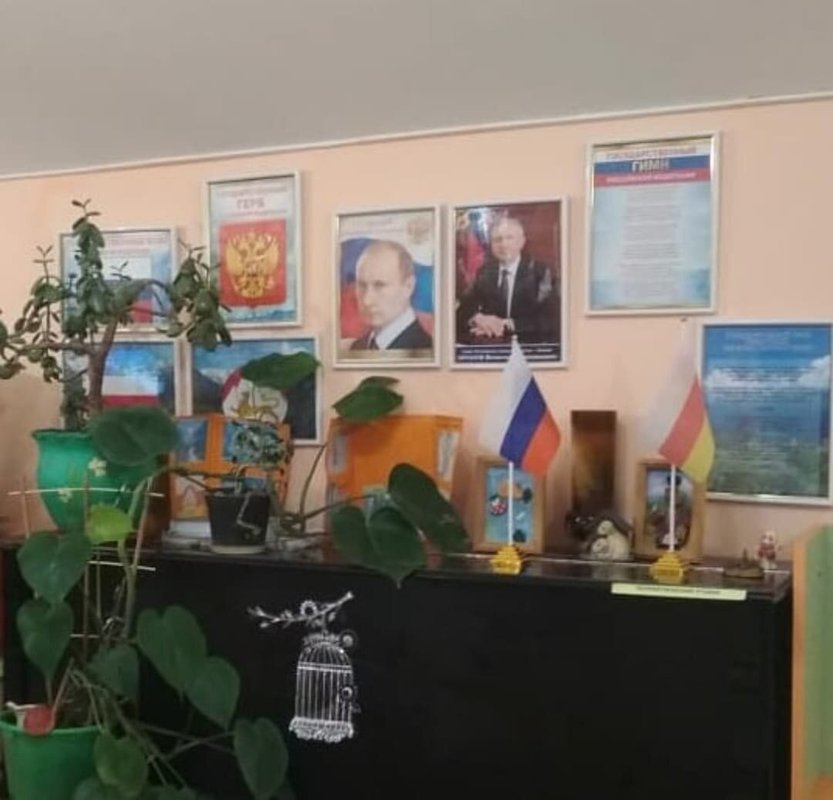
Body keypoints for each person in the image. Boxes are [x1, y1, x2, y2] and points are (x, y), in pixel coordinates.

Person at [456, 217, 559, 345]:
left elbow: (549, 320)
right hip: (492, 346)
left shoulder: (540, 272)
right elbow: (463, 310)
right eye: (497, 240)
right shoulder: (485, 272)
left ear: (522, 242)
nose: (503, 245)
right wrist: (477, 318)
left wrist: (506, 325)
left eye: (509, 238)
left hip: (529, 346)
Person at [349, 240, 432, 351]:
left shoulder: (426, 348)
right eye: (362, 285)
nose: (367, 300)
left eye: (379, 285)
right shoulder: (356, 348)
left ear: (408, 286)